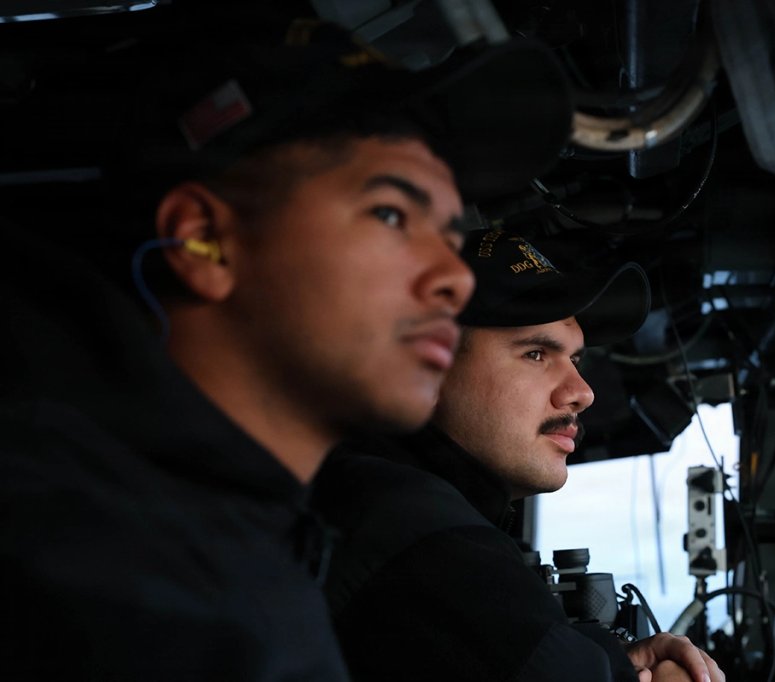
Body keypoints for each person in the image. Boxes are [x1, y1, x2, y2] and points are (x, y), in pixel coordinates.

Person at [0, 3, 572, 679]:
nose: (452, 277)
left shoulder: (228, 531)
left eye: (449, 236)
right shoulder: (100, 578)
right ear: (201, 242)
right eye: (391, 214)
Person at [312, 229, 725, 682]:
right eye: (535, 354)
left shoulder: (374, 496)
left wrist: (612, 658)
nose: (582, 393)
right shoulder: (420, 534)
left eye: (576, 361)